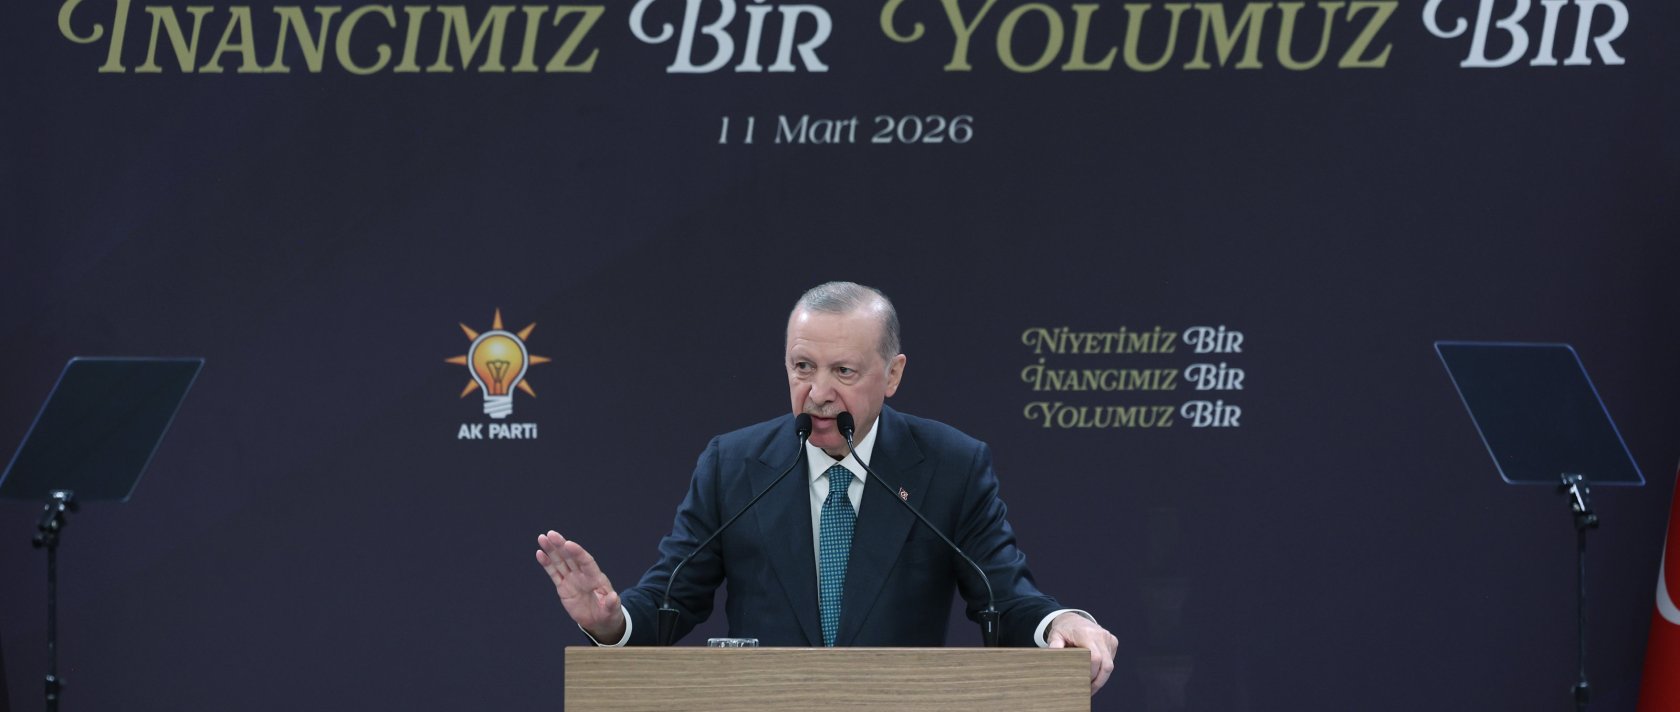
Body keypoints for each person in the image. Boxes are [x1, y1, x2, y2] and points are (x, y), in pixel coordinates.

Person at [535, 281, 1118, 693]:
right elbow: (671, 599)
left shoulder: (950, 465)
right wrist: (611, 623)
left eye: (844, 372)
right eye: (802, 367)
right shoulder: (733, 464)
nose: (817, 393)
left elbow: (1005, 599)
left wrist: (1061, 624)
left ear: (892, 375)